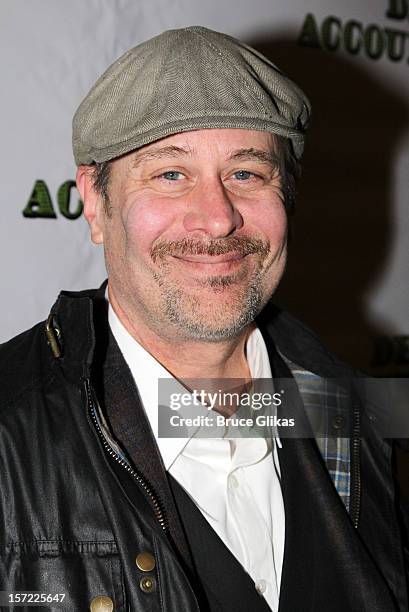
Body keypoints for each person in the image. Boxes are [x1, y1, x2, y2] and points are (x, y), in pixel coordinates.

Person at [0, 26, 407, 612]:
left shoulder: (349, 411)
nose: (217, 219)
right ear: (95, 201)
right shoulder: (12, 438)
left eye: (246, 173)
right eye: (170, 174)